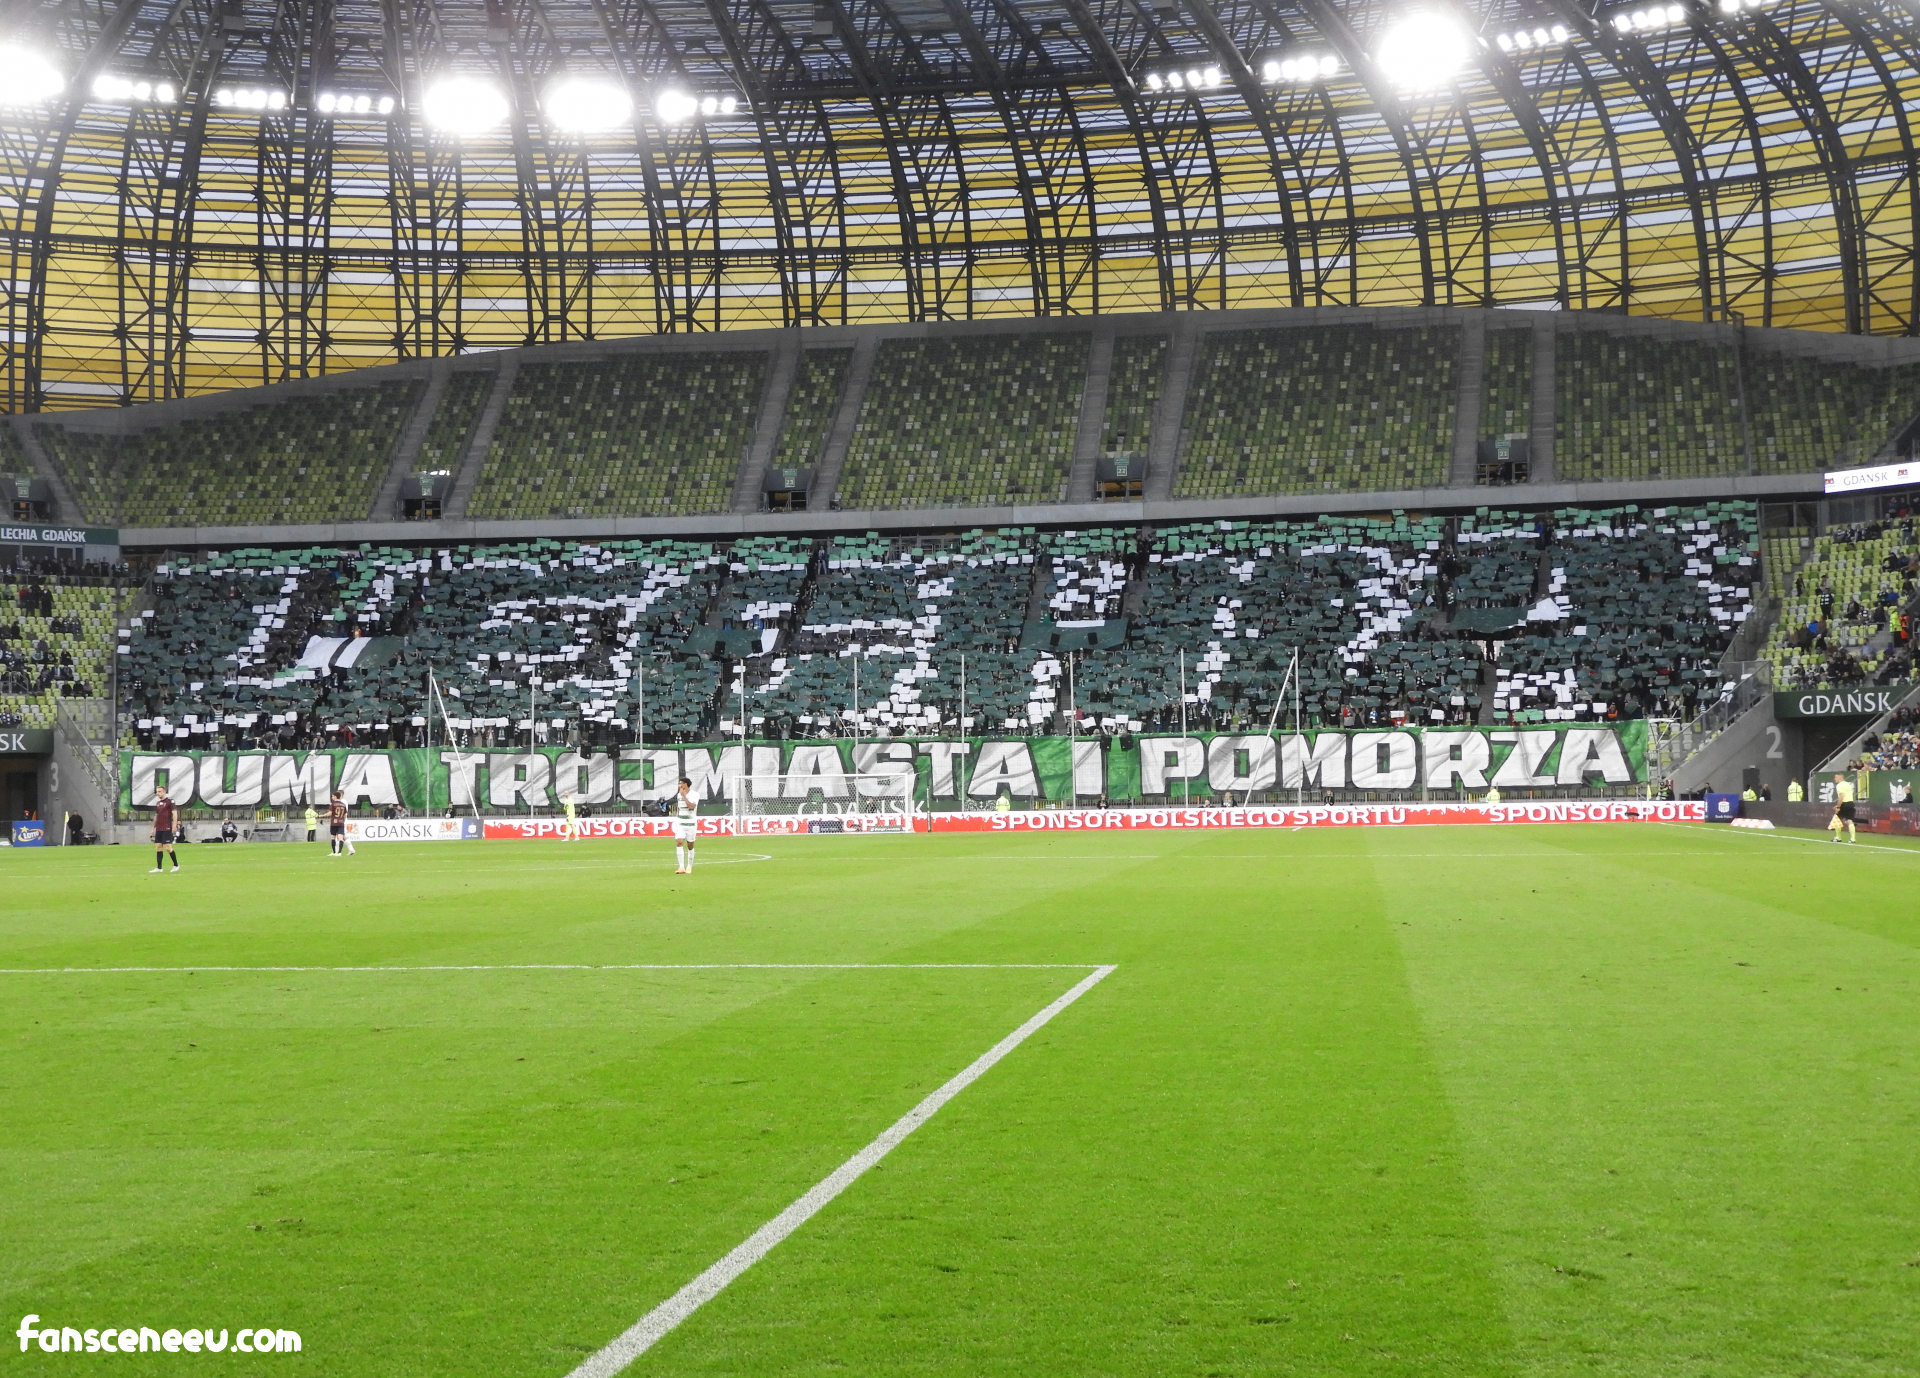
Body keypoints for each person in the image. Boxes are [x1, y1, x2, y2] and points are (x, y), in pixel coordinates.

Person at [150, 787, 181, 873]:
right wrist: (153, 828)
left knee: (168, 847)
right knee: (158, 847)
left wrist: (174, 825)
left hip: (167, 827)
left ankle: (176, 865)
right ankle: (159, 867)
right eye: (157, 792)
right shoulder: (158, 803)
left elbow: (174, 814)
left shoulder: (170, 802)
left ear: (164, 792)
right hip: (159, 828)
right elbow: (156, 816)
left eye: (159, 791)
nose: (158, 793)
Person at [671, 776, 698, 874]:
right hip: (680, 823)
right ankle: (681, 867)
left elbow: (691, 807)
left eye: (681, 783)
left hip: (691, 823)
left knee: (690, 845)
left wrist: (684, 797)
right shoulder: (679, 795)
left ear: (686, 784)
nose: (679, 785)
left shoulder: (694, 794)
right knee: (679, 842)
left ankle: (689, 866)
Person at [1829, 772, 1857, 843]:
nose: (1834, 779)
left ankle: (1838, 837)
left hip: (1844, 803)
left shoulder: (1839, 785)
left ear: (1840, 777)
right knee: (1849, 820)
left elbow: (1841, 797)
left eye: (1836, 777)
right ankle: (1853, 838)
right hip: (1850, 803)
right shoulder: (1848, 784)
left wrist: (1838, 806)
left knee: (1837, 820)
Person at [328, 790, 354, 857]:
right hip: (341, 820)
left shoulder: (342, 802)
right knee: (342, 836)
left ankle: (338, 852)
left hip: (340, 821)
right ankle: (349, 850)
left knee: (340, 837)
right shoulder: (343, 802)